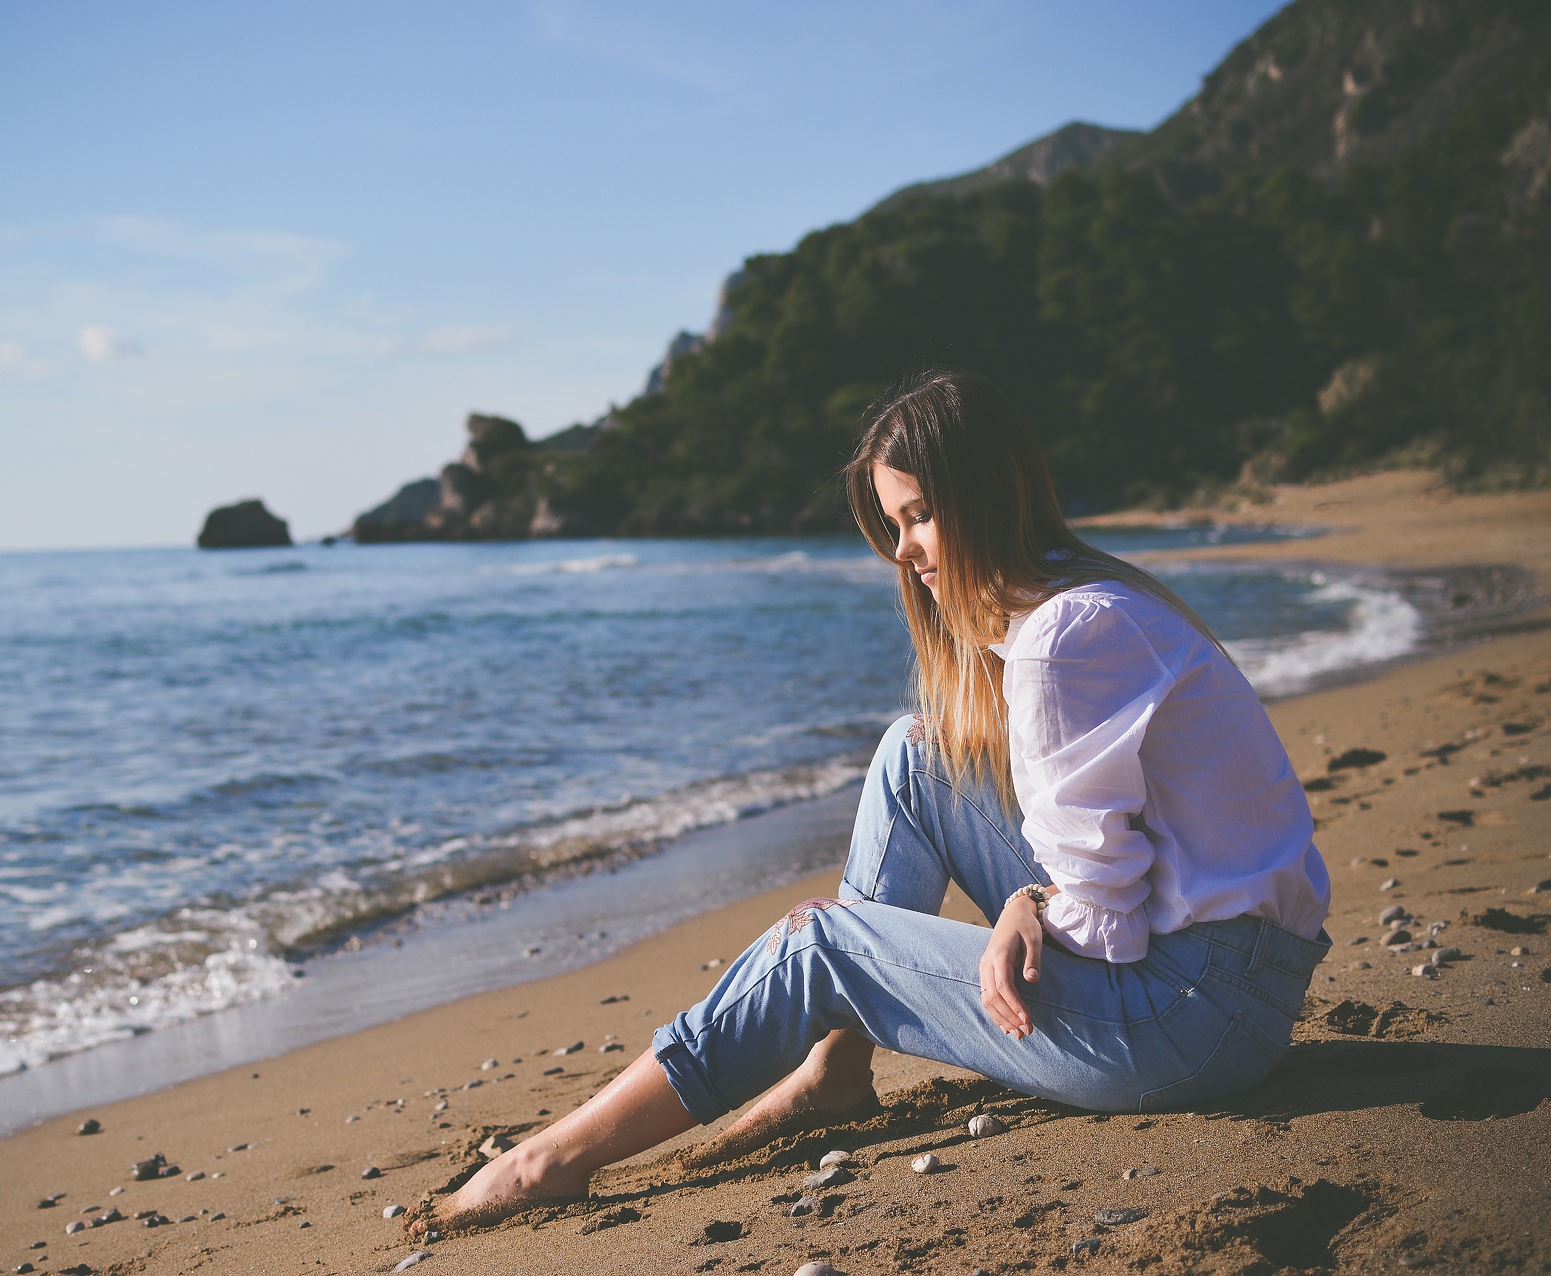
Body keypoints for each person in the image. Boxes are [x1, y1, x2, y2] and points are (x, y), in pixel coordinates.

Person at [412, 368, 1330, 1234]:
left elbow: (1106, 925)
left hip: (1189, 1020)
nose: (902, 550)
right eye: (895, 522)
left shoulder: (1061, 640)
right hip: (1229, 984)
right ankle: (835, 1070)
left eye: (922, 516)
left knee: (820, 946)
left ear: (986, 495)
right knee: (913, 754)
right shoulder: (1089, 602)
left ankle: (553, 1159)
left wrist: (1029, 904)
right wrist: (1035, 903)